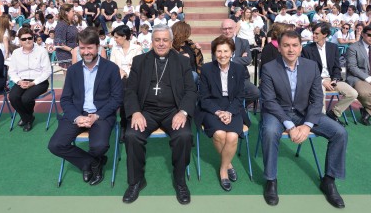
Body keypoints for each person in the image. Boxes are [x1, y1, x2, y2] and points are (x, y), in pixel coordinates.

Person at [261, 31, 347, 208]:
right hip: (278, 113)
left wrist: (307, 125)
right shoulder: (269, 68)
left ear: (301, 47)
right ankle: (271, 180)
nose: (290, 49)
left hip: (304, 113)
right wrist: (291, 126)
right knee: (269, 132)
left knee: (340, 132)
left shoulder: (311, 66)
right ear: (280, 48)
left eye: (294, 45)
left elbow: (317, 99)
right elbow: (269, 101)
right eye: (286, 45)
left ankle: (329, 180)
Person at [122, 24, 197, 205]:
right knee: (132, 136)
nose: (161, 44)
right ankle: (136, 181)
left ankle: (180, 181)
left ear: (171, 42)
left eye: (165, 40)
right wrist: (135, 112)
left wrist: (183, 112)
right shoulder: (140, 61)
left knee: (184, 136)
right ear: (152, 41)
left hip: (173, 111)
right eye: (157, 40)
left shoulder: (183, 61)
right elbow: (130, 90)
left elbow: (191, 91)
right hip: (146, 111)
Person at [48, 29, 123, 186]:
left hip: (101, 114)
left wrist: (96, 116)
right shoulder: (73, 70)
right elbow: (66, 99)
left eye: (90, 47)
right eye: (82, 48)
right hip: (77, 112)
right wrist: (77, 117)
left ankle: (92, 160)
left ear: (98, 47)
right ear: (78, 48)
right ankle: (91, 163)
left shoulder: (111, 68)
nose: (86, 52)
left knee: (99, 146)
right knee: (55, 145)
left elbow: (117, 99)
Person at [195, 35, 249, 191]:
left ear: (232, 52)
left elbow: (240, 97)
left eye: (226, 51)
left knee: (232, 136)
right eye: (219, 51)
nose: (222, 55)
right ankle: (228, 166)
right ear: (214, 53)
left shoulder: (239, 69)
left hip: (234, 107)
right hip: (212, 107)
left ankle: (223, 167)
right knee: (219, 134)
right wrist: (218, 112)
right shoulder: (206, 69)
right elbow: (203, 97)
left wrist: (230, 112)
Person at [302, 23, 358, 125]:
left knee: (353, 93)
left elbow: (337, 67)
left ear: (325, 34)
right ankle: (322, 120)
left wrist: (335, 79)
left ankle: (334, 113)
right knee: (320, 92)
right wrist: (322, 81)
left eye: (316, 33)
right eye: (313, 33)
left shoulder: (333, 47)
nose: (313, 35)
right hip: (316, 80)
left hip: (332, 79)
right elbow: (307, 71)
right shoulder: (307, 49)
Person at [8, 27, 51, 132]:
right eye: (24, 39)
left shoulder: (42, 51)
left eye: (29, 38)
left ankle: (26, 119)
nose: (27, 40)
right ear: (19, 41)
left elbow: (47, 72)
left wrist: (33, 83)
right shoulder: (16, 53)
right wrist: (19, 81)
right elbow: (11, 71)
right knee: (13, 97)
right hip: (22, 80)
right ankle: (28, 118)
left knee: (26, 98)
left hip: (39, 81)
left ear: (33, 38)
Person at [213, 19, 260, 106]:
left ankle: (237, 106)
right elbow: (216, 61)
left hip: (241, 78)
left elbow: (248, 60)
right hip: (222, 77)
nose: (227, 31)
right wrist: (239, 59)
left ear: (235, 28)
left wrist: (229, 59)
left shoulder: (243, 42)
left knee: (255, 92)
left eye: (230, 28)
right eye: (224, 29)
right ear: (221, 30)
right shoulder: (215, 43)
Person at [346, 25, 371, 125]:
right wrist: (368, 78)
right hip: (357, 78)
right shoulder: (353, 48)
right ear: (363, 34)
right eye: (369, 35)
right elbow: (352, 67)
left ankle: (367, 111)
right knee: (366, 93)